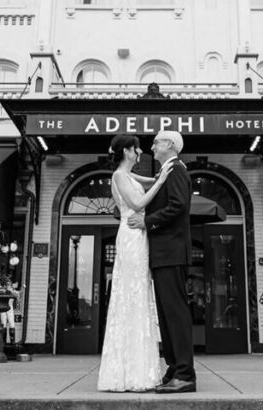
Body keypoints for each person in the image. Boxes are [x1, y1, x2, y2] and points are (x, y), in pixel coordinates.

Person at [97, 134, 174, 392]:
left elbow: (150, 181)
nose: (141, 151)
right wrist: (162, 180)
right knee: (131, 295)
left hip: (140, 236)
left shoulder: (129, 175)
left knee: (139, 294)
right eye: (137, 148)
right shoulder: (119, 176)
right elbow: (138, 202)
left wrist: (163, 175)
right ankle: (128, 372)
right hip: (131, 235)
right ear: (127, 151)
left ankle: (139, 368)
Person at [128, 130, 196, 394]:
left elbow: (178, 206)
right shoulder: (166, 171)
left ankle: (185, 374)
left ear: (170, 144)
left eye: (156, 142)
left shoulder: (177, 170)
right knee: (167, 317)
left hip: (172, 253)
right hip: (163, 254)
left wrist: (146, 221)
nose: (152, 146)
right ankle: (174, 368)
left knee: (176, 315)